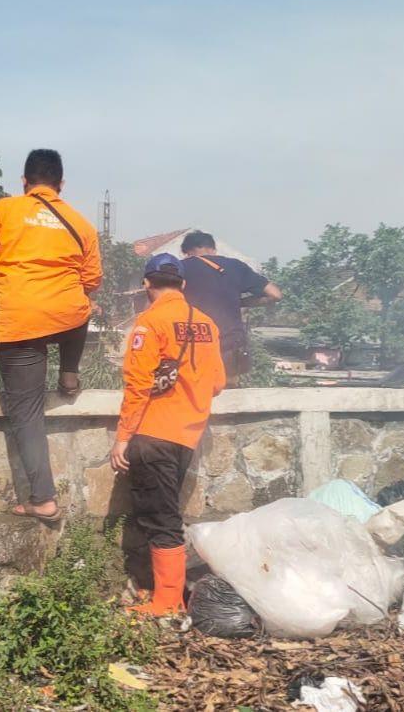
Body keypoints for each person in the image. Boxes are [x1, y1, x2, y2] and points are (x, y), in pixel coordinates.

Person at [0, 149, 102, 522]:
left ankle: (42, 499)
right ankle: (69, 372)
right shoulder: (81, 223)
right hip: (70, 320)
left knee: (26, 413)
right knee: (79, 307)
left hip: (20, 321)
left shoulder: (4, 210)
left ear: (24, 182)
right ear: (61, 184)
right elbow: (91, 283)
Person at [110, 253, 225, 616]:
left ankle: (168, 603)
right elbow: (218, 383)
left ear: (147, 284)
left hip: (153, 434)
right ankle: (166, 595)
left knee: (161, 518)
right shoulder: (207, 324)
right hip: (187, 435)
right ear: (184, 285)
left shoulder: (149, 323)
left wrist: (123, 437)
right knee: (165, 512)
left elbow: (138, 385)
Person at [179, 231, 282, 386]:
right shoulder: (236, 266)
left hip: (194, 344)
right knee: (229, 396)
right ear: (213, 248)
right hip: (231, 345)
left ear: (189, 251)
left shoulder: (181, 267)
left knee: (193, 394)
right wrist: (240, 302)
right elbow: (275, 294)